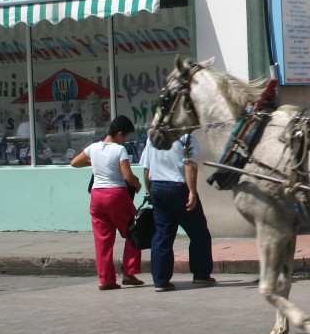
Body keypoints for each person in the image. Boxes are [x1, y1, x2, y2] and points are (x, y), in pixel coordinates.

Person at [71, 115, 144, 291]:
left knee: (103, 240)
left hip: (96, 197)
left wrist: (96, 164)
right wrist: (138, 184)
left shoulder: (93, 148)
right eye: (125, 137)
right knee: (135, 230)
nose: (125, 140)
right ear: (119, 134)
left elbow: (74, 162)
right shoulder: (119, 151)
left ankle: (106, 279)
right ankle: (129, 272)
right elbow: (127, 176)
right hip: (115, 195)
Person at [139, 132, 216, 292]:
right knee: (199, 232)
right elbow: (190, 165)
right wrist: (192, 192)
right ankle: (201, 274)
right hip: (179, 188)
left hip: (157, 186)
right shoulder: (186, 137)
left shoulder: (154, 136)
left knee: (162, 235)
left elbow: (147, 168)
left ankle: (160, 280)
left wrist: (149, 191)